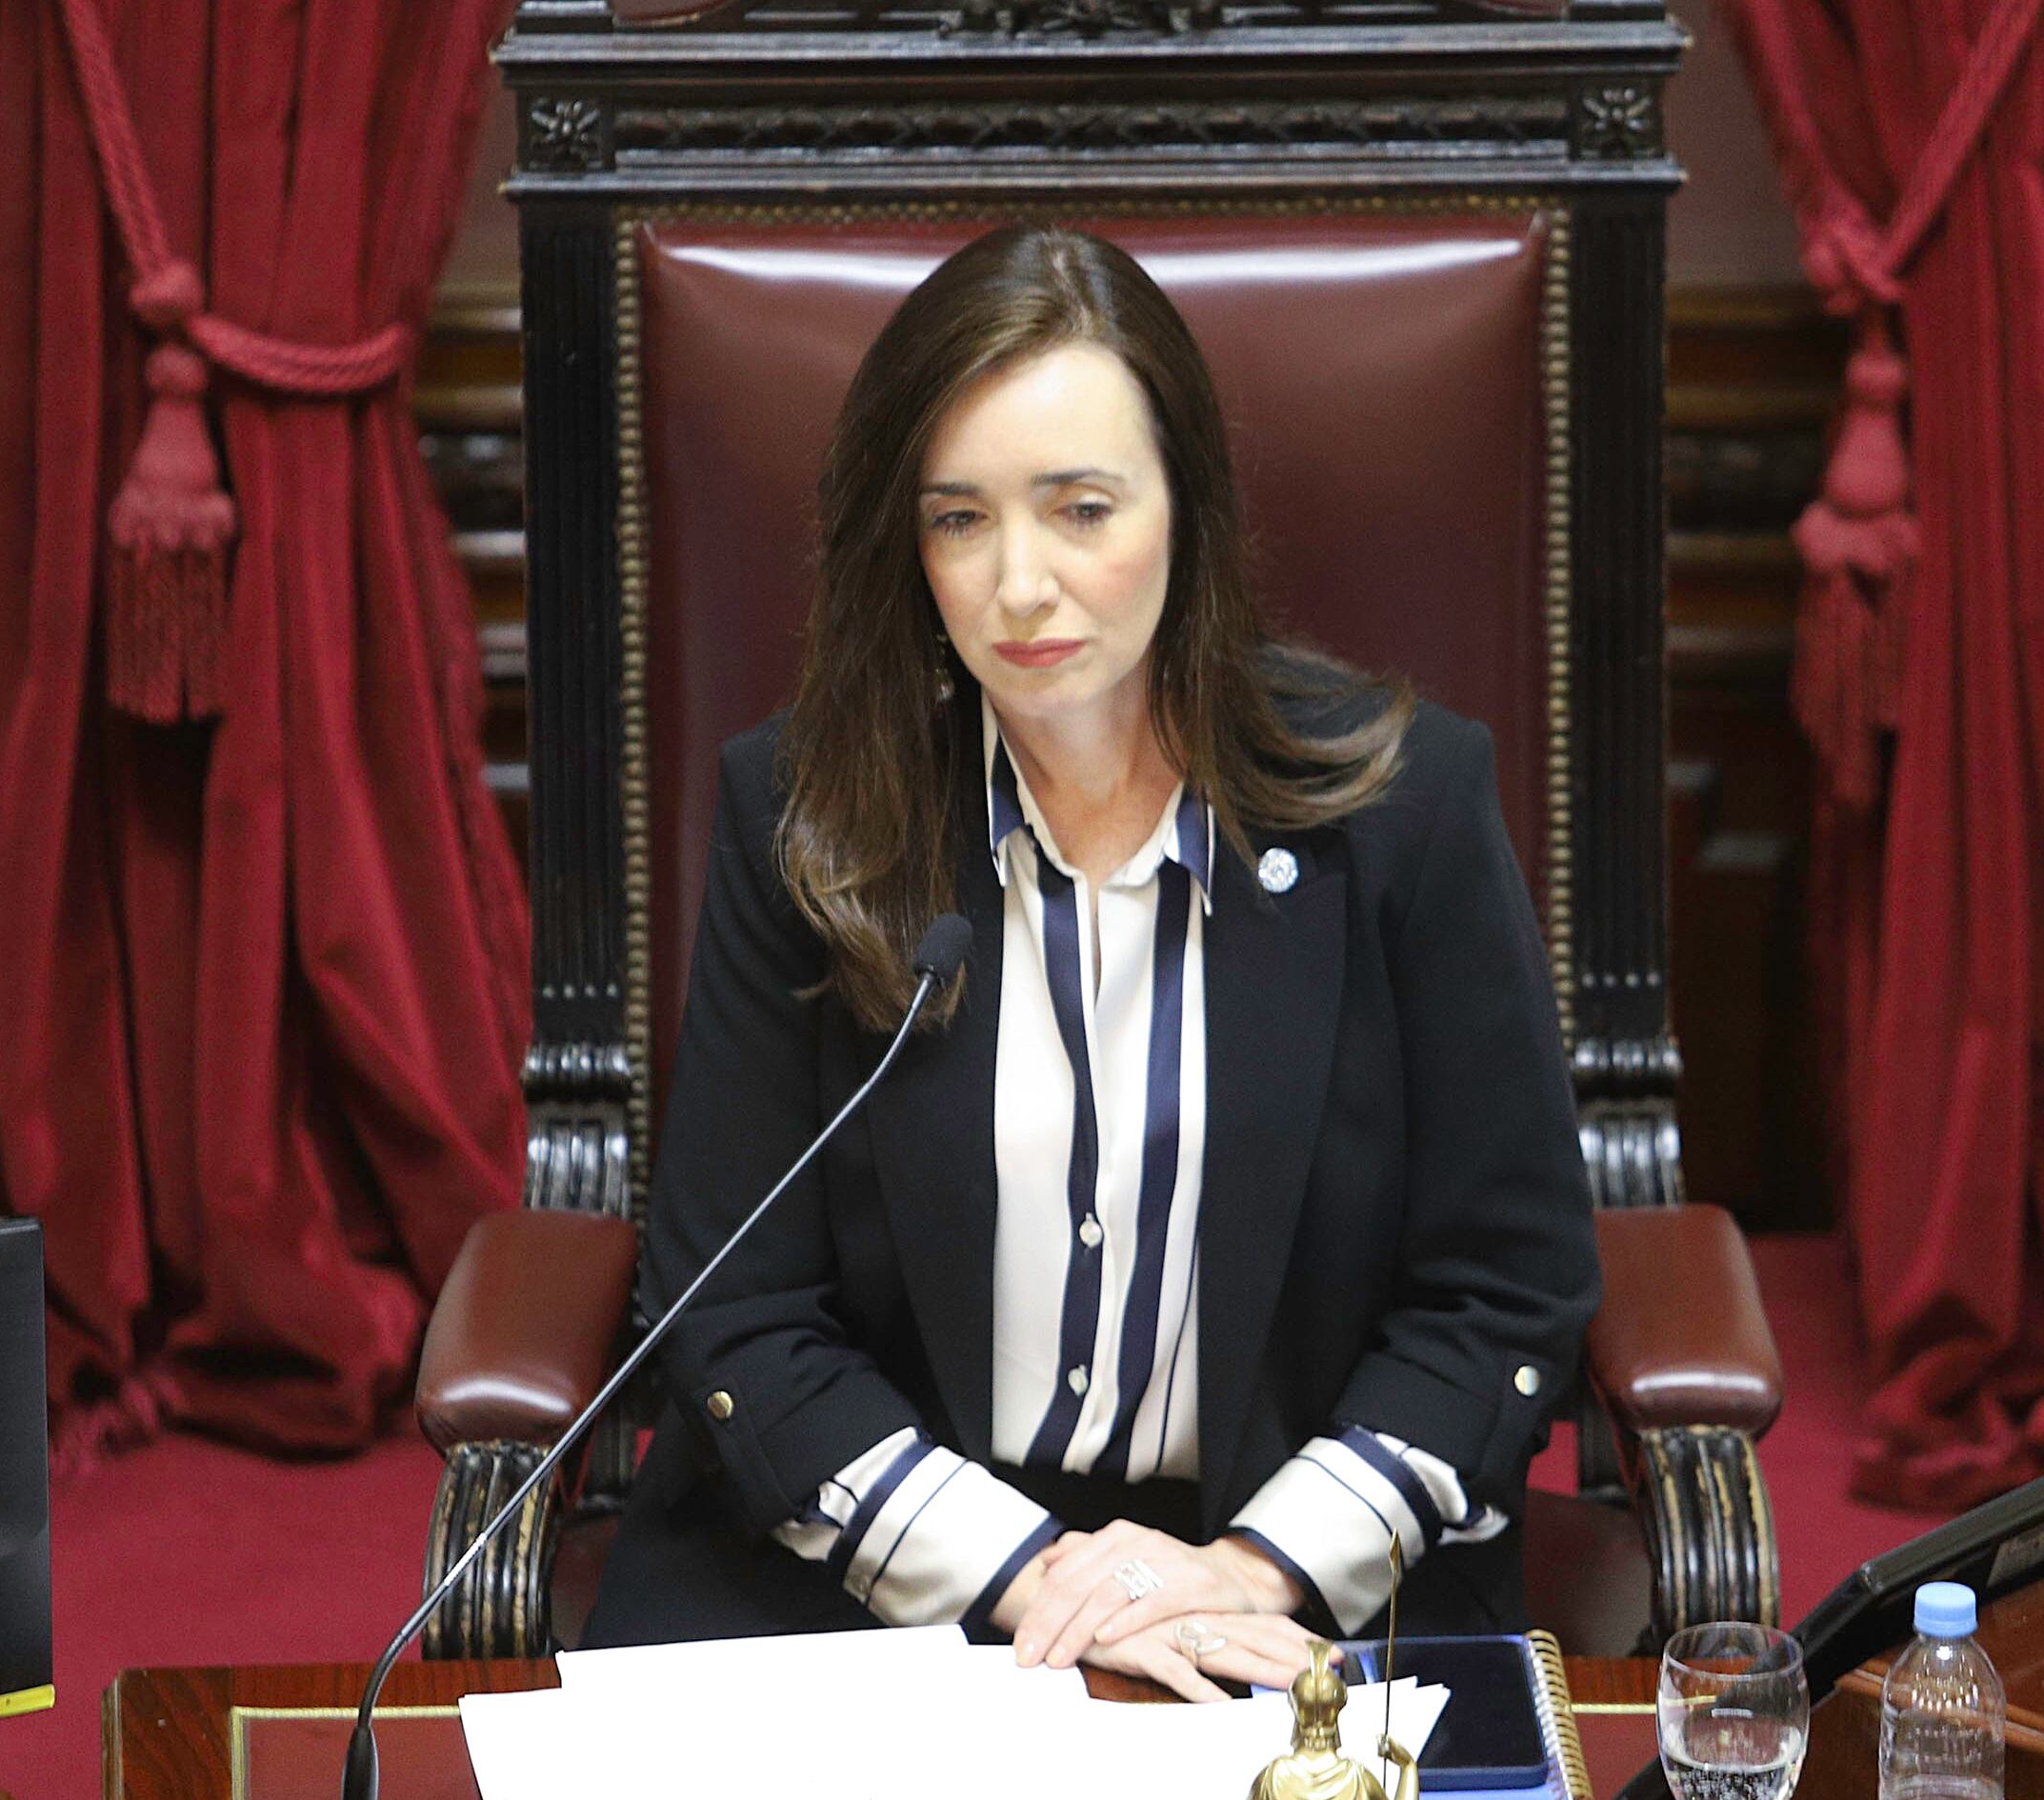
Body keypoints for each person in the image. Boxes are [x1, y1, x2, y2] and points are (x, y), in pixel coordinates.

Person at [581, 224, 1600, 1701]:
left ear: (1187, 503)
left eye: (1080, 508)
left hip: (1281, 1579)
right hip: (881, 1571)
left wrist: (1248, 1569)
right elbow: (737, 1303)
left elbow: (1508, 1287)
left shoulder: (1403, 808)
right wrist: (1037, 1575)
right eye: (959, 520)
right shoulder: (809, 817)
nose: (1019, 586)